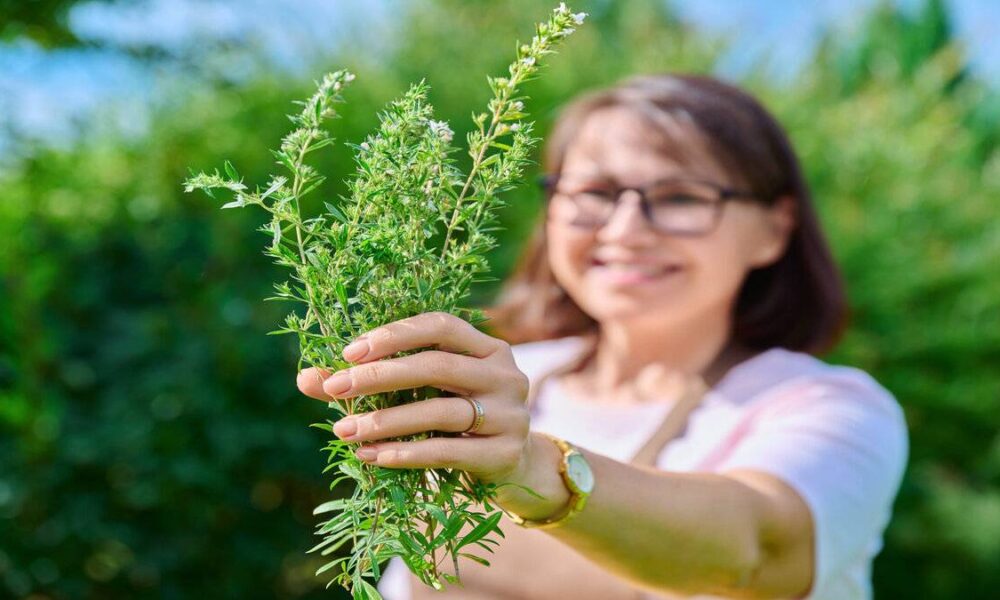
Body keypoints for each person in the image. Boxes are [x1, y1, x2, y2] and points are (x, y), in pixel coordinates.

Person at [296, 73, 908, 599]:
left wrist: (533, 468)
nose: (625, 229)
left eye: (681, 196)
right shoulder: (500, 377)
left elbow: (758, 548)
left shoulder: (830, 408)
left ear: (774, 229)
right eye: (594, 192)